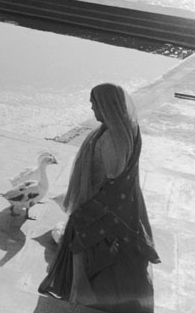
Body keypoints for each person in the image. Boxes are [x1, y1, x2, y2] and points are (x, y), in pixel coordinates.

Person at [39, 83, 160, 312]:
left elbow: (113, 182)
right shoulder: (126, 128)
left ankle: (92, 298)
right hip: (124, 206)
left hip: (104, 205)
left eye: (94, 103)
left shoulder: (111, 140)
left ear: (106, 105)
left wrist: (87, 212)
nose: (92, 108)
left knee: (95, 253)